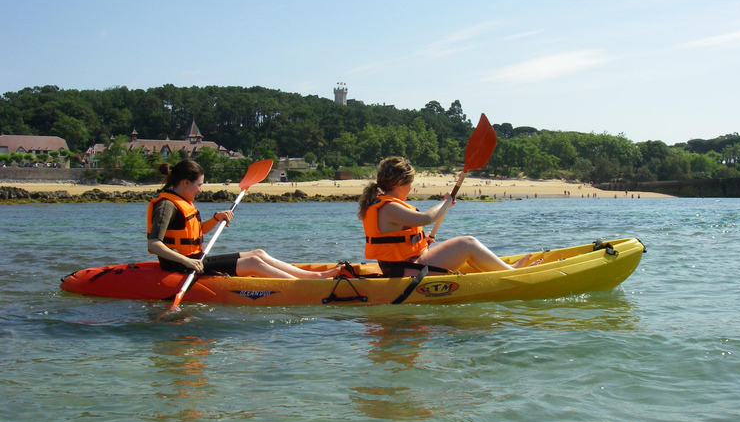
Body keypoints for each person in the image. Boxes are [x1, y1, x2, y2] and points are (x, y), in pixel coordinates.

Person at [147, 159, 341, 279]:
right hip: (181, 264)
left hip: (195, 258)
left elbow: (197, 231)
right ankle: (301, 287)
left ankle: (315, 276)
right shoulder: (166, 205)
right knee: (253, 263)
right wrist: (186, 262)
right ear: (185, 182)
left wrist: (216, 218)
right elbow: (154, 244)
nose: (201, 189)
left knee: (258, 253)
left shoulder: (182, 201)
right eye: (199, 185)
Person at [358, 156, 539, 277]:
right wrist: (446, 203)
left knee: (464, 247)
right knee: (466, 243)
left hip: (406, 265)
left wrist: (423, 241)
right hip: (406, 271)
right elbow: (426, 218)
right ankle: (511, 273)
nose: (411, 188)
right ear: (399, 183)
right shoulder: (389, 207)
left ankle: (504, 269)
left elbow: (399, 239)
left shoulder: (383, 204)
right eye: (410, 183)